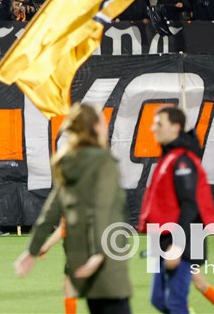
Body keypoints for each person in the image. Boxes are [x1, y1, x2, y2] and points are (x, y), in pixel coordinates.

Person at [15, 103, 132, 314]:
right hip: (104, 257)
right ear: (95, 128)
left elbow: (51, 210)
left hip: (78, 257)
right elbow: (104, 208)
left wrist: (32, 250)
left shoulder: (67, 162)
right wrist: (99, 251)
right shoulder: (104, 161)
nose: (106, 127)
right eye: (103, 123)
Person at [139, 106, 214, 314]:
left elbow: (190, 204)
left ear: (175, 128)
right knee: (158, 300)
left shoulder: (183, 160)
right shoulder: (169, 157)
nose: (152, 128)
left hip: (186, 238)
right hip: (166, 237)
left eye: (159, 124)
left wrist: (177, 245)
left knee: (175, 303)